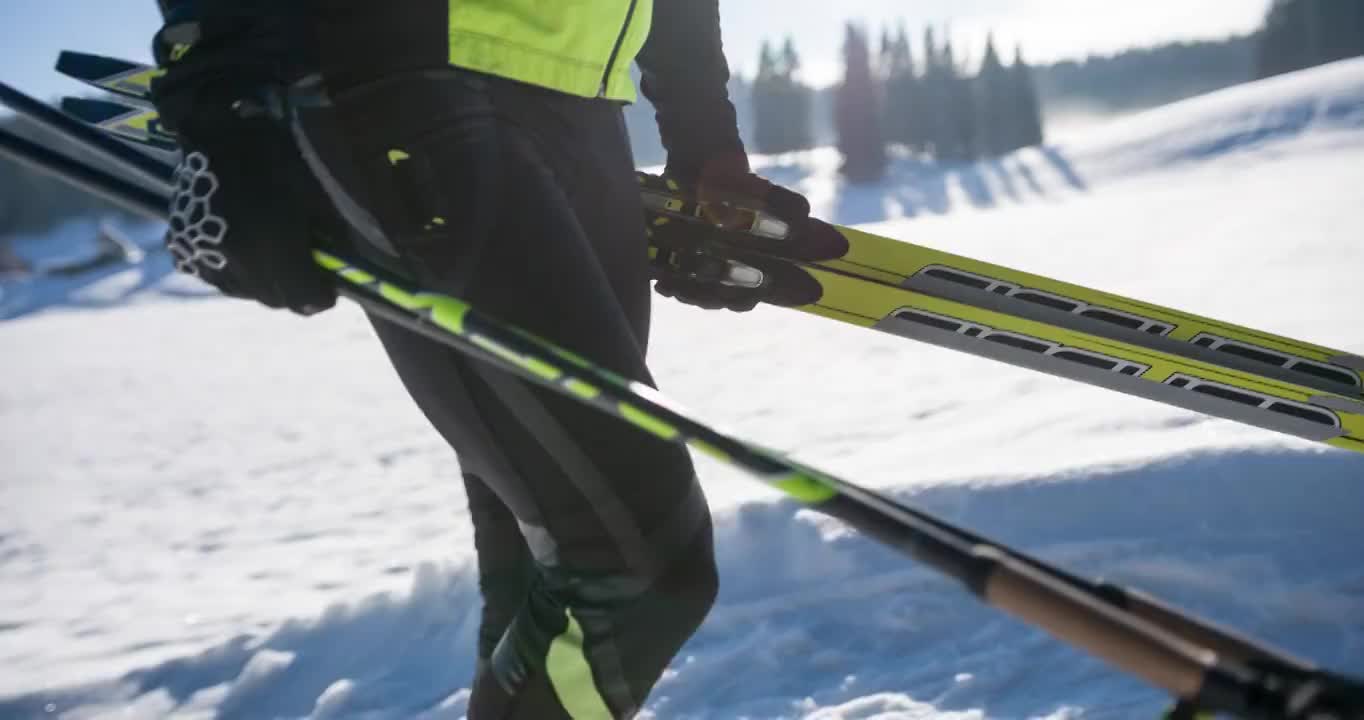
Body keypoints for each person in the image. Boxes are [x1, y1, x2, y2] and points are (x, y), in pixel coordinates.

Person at [149, 1, 831, 716]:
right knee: (640, 564)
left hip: (584, 104)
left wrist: (703, 134)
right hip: (395, 73)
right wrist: (220, 89)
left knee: (548, 539)